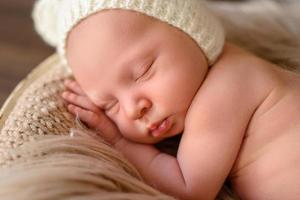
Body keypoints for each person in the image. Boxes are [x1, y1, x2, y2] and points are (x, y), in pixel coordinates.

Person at [33, 0, 300, 199]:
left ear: (193, 34)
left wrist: (119, 141)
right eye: (109, 105)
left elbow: (188, 188)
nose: (133, 108)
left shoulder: (226, 88)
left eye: (143, 72)